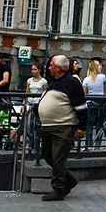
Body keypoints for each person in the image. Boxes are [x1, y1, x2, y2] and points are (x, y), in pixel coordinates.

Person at [35, 54, 86, 202]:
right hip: (48, 126)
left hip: (63, 126)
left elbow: (82, 108)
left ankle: (58, 189)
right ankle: (69, 180)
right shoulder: (53, 82)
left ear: (58, 68)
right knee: (47, 155)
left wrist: (81, 128)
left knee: (58, 158)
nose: (49, 67)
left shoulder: (72, 82)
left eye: (51, 65)